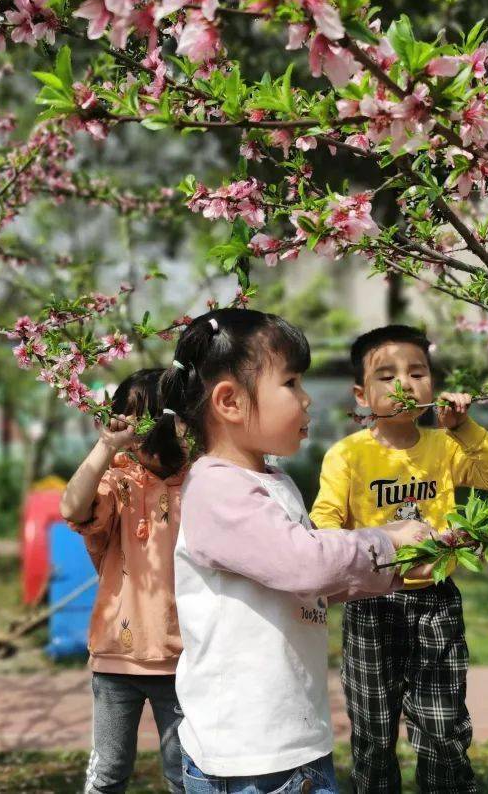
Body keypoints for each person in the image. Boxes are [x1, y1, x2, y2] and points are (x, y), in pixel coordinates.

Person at [146, 308, 431, 794]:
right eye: (292, 383)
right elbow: (304, 562)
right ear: (230, 401)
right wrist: (387, 542)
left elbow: (307, 585)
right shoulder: (219, 487)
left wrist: (401, 568)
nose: (306, 400)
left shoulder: (271, 481)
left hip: (286, 740)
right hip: (251, 757)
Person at [310, 324, 488, 793]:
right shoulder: (347, 455)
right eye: (386, 376)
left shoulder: (445, 446)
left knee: (443, 730)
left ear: (433, 385)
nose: (404, 384)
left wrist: (464, 428)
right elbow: (324, 523)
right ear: (361, 394)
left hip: (437, 602)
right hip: (371, 607)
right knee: (373, 735)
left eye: (417, 372)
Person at [61, 367, 189, 794]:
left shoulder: (204, 481)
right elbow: (73, 507)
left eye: (156, 419)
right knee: (108, 774)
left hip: (186, 660)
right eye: (134, 421)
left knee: (184, 775)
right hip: (118, 657)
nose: (145, 433)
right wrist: (104, 447)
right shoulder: (119, 482)